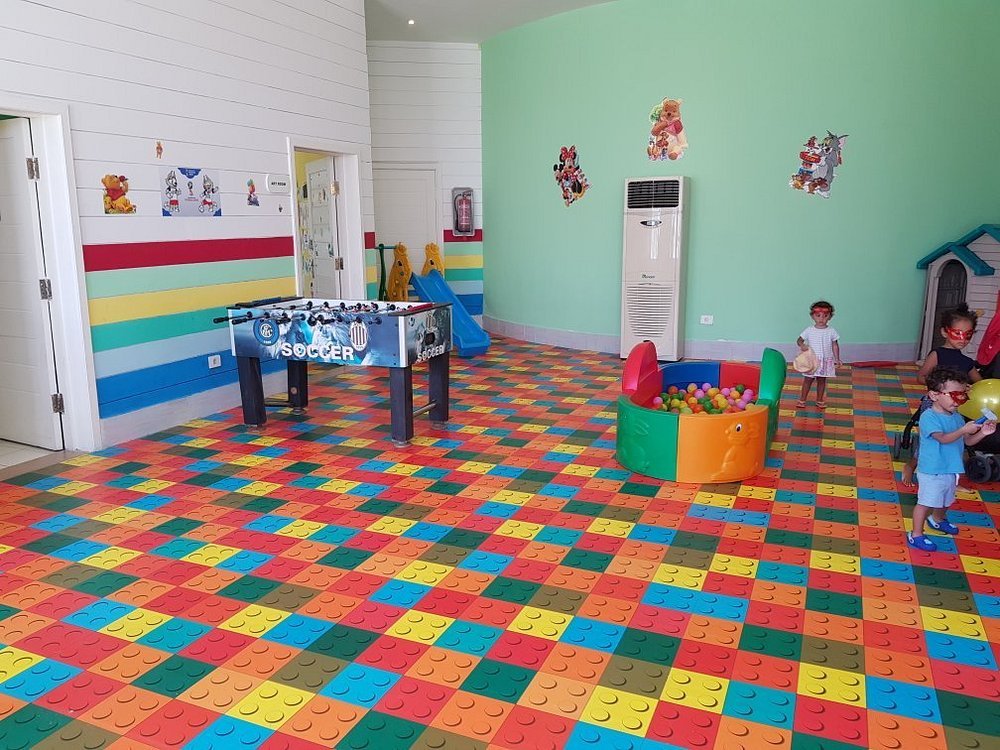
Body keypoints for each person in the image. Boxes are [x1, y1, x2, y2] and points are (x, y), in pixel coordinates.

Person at [907, 367, 996, 552]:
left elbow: (967, 441)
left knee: (947, 499)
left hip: (951, 467)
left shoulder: (957, 417)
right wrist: (963, 430)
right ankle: (916, 534)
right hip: (932, 470)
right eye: (954, 395)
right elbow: (943, 439)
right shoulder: (929, 417)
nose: (959, 400)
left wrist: (983, 433)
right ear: (934, 395)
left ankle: (937, 519)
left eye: (962, 395)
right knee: (926, 502)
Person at [901, 303, 982, 486]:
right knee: (931, 440)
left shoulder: (967, 361)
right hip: (934, 403)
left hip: (957, 406)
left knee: (955, 438)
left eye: (968, 334)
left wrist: (969, 388)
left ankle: (951, 477)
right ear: (945, 332)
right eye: (957, 333)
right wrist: (939, 388)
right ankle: (911, 466)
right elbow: (921, 377)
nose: (963, 339)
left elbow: (980, 384)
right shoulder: (937, 354)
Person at [796, 300, 841, 409]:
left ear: (830, 317)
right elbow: (799, 340)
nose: (821, 319)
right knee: (808, 380)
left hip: (824, 361)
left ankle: (819, 400)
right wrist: (802, 345)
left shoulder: (831, 331)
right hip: (812, 361)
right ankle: (802, 399)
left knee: (822, 381)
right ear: (812, 316)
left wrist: (837, 359)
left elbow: (835, 345)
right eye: (818, 316)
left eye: (825, 316)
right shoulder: (809, 330)